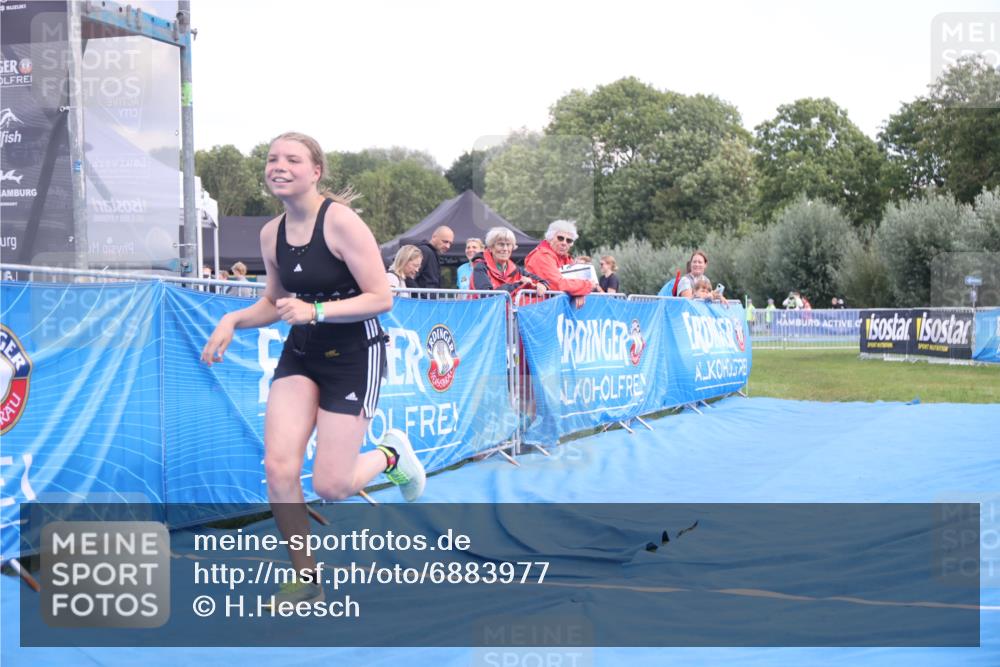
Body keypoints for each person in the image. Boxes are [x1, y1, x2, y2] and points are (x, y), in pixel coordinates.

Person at [200, 131, 425, 606]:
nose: (278, 166)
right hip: (301, 354)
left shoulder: (341, 222)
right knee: (279, 467)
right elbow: (277, 302)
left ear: (316, 171)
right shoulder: (269, 233)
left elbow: (382, 297)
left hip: (354, 355)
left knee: (332, 485)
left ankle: (390, 456)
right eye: (272, 158)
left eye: (292, 159)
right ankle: (306, 578)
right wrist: (233, 318)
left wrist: (317, 311)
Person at [524, 220, 593, 308]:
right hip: (535, 310)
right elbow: (557, 284)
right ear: (550, 238)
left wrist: (579, 292)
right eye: (560, 238)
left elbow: (573, 282)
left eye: (569, 240)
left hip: (550, 310)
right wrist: (586, 286)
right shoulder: (542, 256)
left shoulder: (565, 258)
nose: (564, 243)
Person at [471, 227, 548, 297]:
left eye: (508, 245)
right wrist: (519, 284)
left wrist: (542, 284)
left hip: (506, 312)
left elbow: (540, 281)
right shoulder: (480, 267)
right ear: (491, 247)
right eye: (501, 244)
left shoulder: (515, 269)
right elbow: (487, 296)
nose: (505, 249)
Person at [413, 225, 454, 290]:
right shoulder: (425, 251)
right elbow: (409, 277)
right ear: (434, 237)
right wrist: (419, 296)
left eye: (450, 243)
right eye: (445, 242)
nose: (448, 246)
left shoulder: (432, 253)